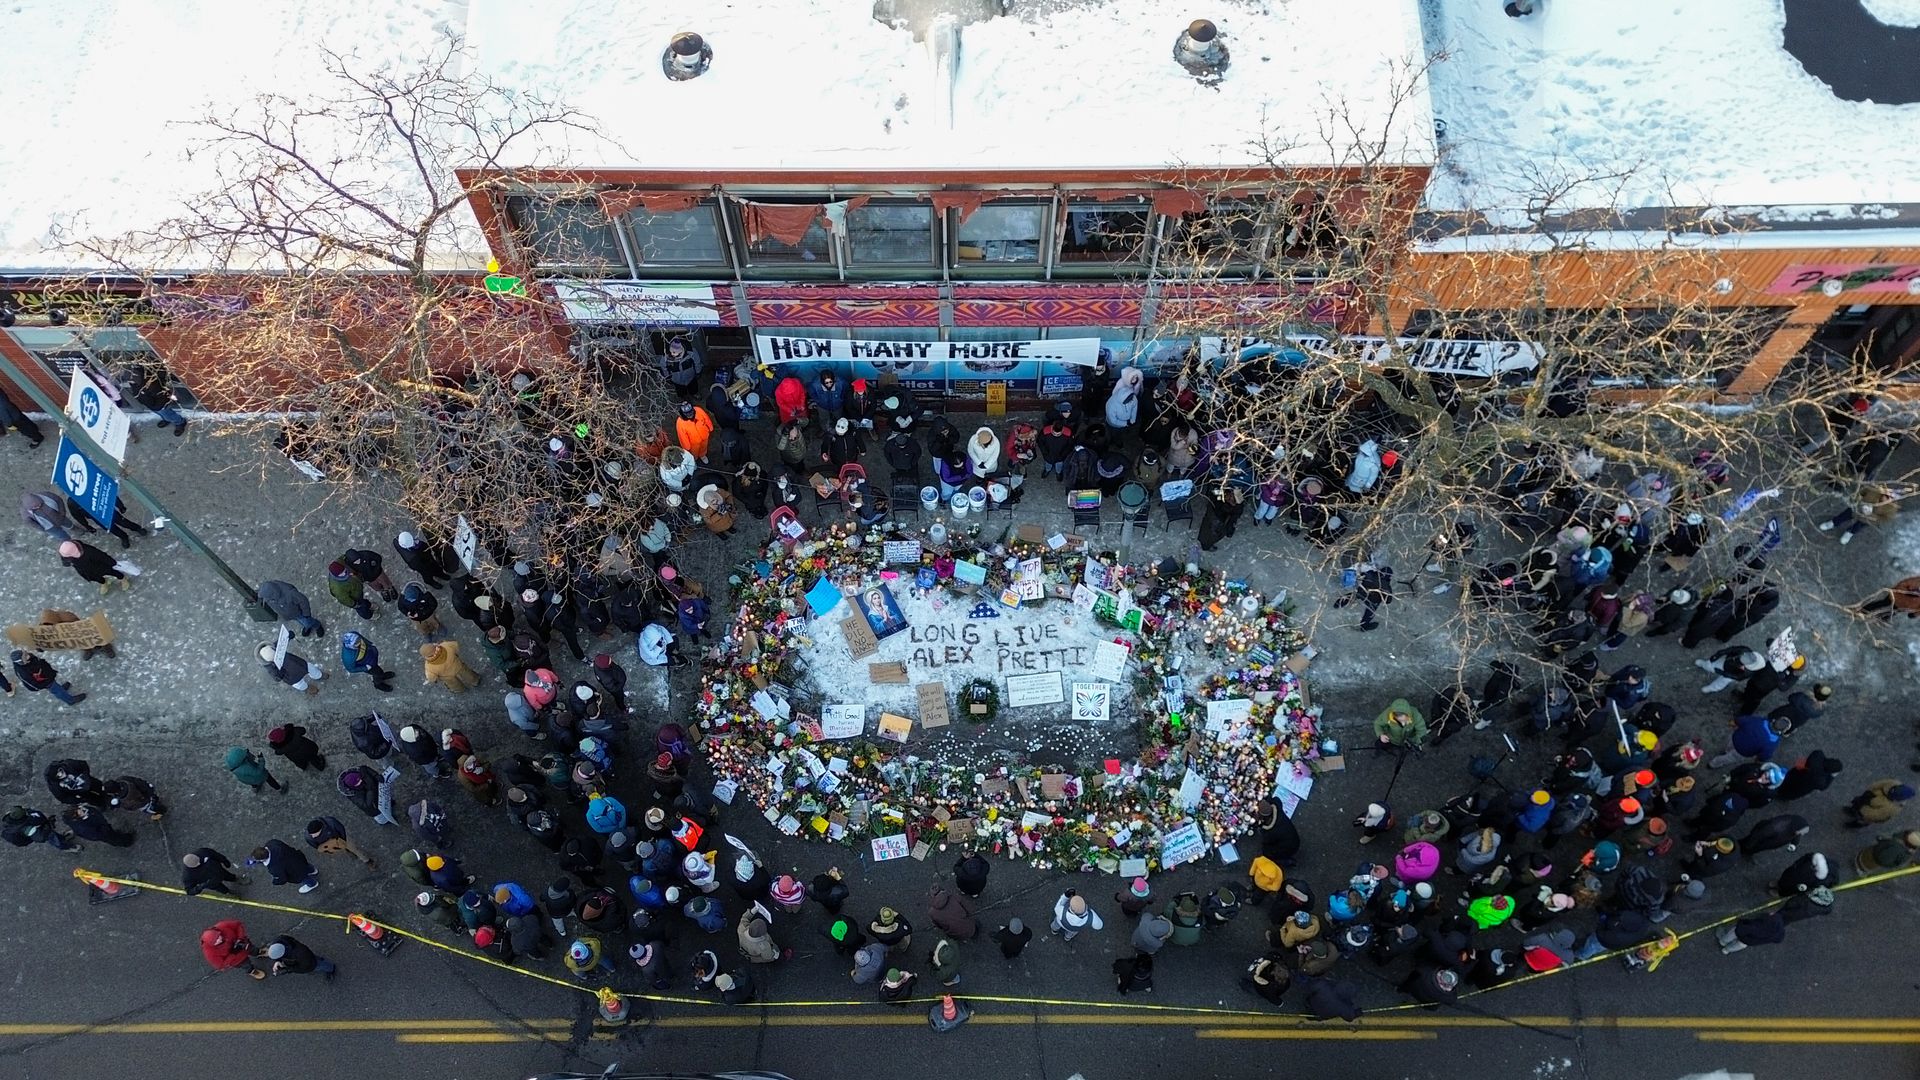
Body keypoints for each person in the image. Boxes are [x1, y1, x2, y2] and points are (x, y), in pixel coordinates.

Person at [58, 538, 133, 595]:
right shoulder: (67, 556)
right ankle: (104, 582)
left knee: (112, 572)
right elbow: (65, 560)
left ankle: (122, 578)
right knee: (96, 578)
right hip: (87, 570)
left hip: (100, 566)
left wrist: (112, 563)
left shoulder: (89, 551)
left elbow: (102, 556)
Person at [11, 649, 85, 705]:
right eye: (25, 656)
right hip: (45, 682)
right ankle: (70, 700)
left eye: (26, 654)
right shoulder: (23, 673)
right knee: (56, 690)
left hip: (47, 675)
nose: (28, 655)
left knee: (56, 686)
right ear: (21, 661)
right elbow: (32, 684)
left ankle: (61, 689)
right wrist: (45, 684)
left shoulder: (29, 657)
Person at [201, 920, 265, 980]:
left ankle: (258, 953)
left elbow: (238, 925)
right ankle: (252, 971)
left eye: (218, 937)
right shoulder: (209, 953)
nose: (219, 940)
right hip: (238, 959)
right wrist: (233, 954)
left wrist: (240, 938)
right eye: (216, 942)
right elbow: (221, 965)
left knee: (253, 949)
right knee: (246, 965)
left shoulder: (222, 926)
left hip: (244, 944)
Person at [258, 580, 325, 637]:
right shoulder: (268, 596)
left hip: (299, 612)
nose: (266, 600)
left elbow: (303, 600)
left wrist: (306, 614)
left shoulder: (290, 593)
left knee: (307, 621)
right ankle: (307, 626)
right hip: (291, 614)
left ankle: (317, 625)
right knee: (302, 621)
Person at [305, 815, 377, 869]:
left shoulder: (331, 822)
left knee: (355, 849)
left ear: (320, 829)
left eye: (314, 834)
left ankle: (367, 861)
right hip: (331, 845)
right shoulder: (308, 837)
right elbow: (317, 846)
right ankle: (348, 851)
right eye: (311, 834)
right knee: (344, 849)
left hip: (341, 838)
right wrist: (328, 850)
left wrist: (343, 842)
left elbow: (341, 830)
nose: (313, 836)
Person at [252, 838, 320, 893]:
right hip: (297, 858)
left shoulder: (274, 868)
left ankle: (312, 884)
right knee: (306, 866)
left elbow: (282, 879)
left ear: (263, 859)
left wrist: (275, 882)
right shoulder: (273, 843)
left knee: (303, 877)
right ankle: (313, 871)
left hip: (295, 872)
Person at [257, 643, 323, 695]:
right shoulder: (277, 652)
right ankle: (316, 679)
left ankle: (313, 682)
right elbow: (277, 678)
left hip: (293, 674)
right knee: (310, 671)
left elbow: (277, 678)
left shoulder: (270, 666)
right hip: (297, 668)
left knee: (301, 682)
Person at [1844, 781, 1915, 828]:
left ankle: (1853, 825)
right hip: (1869, 799)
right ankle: (1852, 811)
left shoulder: (1893, 808)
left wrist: (1862, 809)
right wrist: (1870, 791)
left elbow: (1874, 814)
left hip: (1867, 812)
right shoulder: (1894, 784)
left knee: (1861, 820)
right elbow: (1880, 783)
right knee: (1857, 805)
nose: (1888, 792)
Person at [264, 935, 337, 981]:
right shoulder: (280, 941)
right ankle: (320, 959)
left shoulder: (300, 955)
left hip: (310, 963)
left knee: (319, 965)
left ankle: (331, 968)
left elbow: (302, 968)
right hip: (308, 956)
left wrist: (286, 968)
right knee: (315, 958)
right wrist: (278, 961)